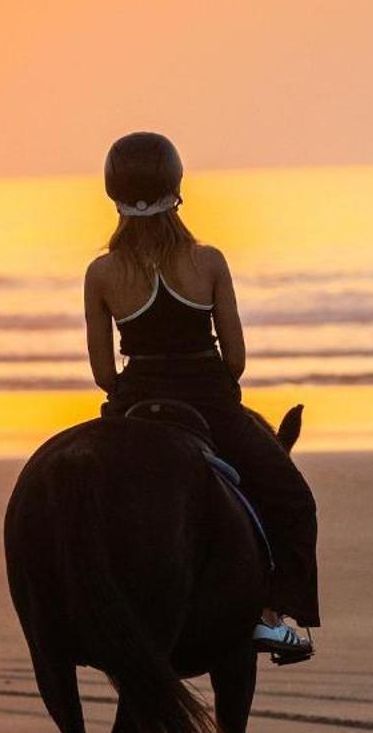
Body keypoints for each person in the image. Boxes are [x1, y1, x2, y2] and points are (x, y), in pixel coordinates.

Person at [85, 131, 317, 664]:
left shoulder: (101, 273)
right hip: (208, 402)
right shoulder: (208, 261)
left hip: (136, 405)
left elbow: (104, 374)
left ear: (111, 192)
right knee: (292, 500)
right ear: (177, 185)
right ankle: (270, 619)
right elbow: (235, 360)